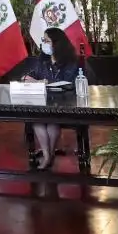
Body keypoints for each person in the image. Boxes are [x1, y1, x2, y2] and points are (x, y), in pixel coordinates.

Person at [22, 27, 81, 168]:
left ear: (57, 43)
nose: (44, 44)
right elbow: (33, 74)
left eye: (46, 41)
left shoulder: (71, 62)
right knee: (37, 120)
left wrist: (45, 83)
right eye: (43, 40)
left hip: (65, 104)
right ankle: (47, 155)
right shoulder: (43, 61)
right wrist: (26, 78)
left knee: (52, 122)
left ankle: (49, 155)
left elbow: (69, 83)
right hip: (43, 103)